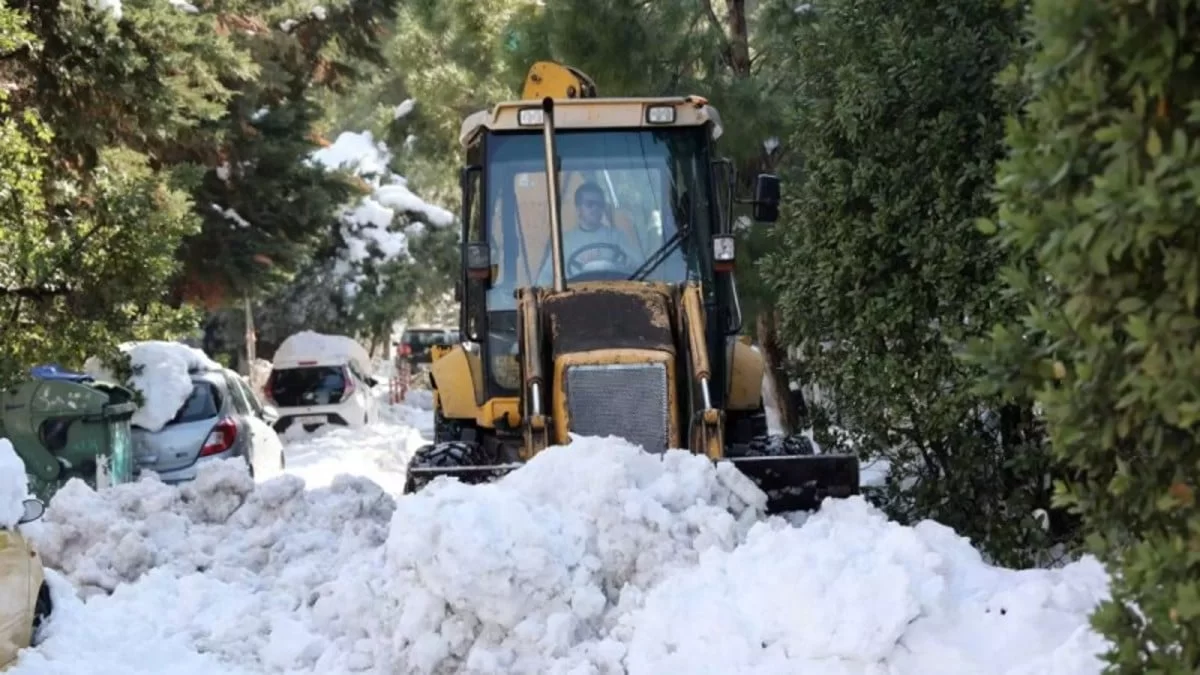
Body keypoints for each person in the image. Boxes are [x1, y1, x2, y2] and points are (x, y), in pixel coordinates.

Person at [536, 182, 643, 283]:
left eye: (599, 204)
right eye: (590, 204)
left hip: (613, 291)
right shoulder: (565, 242)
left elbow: (640, 266)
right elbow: (545, 277)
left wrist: (623, 264)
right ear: (578, 209)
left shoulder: (616, 237)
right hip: (577, 294)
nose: (595, 208)